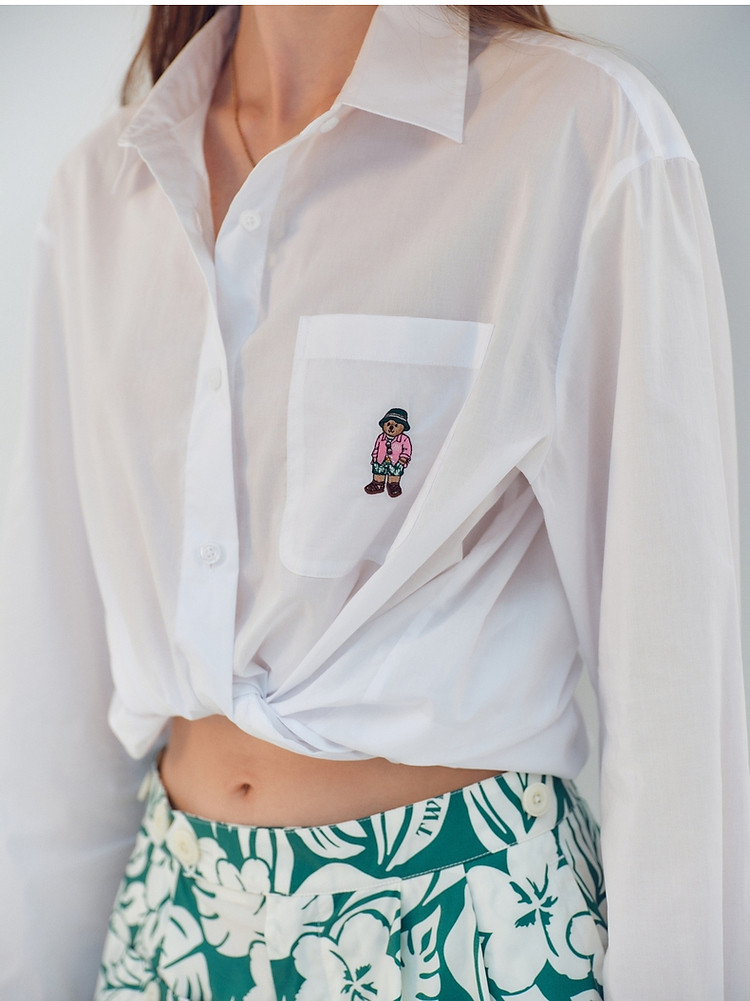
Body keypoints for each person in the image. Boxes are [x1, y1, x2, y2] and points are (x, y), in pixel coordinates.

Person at [1, 5, 748, 1000]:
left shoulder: (580, 134)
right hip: (169, 928)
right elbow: (54, 698)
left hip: (461, 928)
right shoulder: (102, 192)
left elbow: (676, 690)